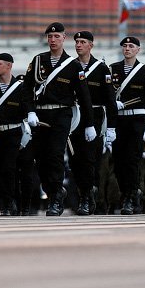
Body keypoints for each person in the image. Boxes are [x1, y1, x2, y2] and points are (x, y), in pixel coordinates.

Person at [24, 22, 95, 216]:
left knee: (55, 155)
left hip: (62, 114)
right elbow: (27, 89)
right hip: (40, 115)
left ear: (64, 38)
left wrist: (89, 124)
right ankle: (54, 190)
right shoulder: (38, 61)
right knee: (41, 159)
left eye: (57, 36)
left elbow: (84, 97)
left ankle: (55, 198)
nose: (53, 40)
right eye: (50, 37)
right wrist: (30, 111)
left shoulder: (73, 65)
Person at [110, 36, 145, 215]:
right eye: (125, 46)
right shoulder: (113, 69)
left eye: (131, 46)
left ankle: (130, 196)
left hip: (137, 121)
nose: (127, 49)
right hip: (118, 121)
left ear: (138, 49)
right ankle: (127, 192)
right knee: (118, 161)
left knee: (132, 160)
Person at [71, 31, 117, 216]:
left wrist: (111, 126)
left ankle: (88, 196)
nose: (78, 45)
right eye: (77, 41)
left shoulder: (101, 68)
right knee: (75, 160)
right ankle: (84, 193)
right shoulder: (70, 66)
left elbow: (110, 99)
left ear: (91, 45)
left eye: (83, 42)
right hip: (75, 117)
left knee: (90, 159)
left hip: (95, 117)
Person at [0, 53, 29, 216]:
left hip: (13, 132)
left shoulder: (20, 87)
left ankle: (8, 204)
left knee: (9, 169)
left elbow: (26, 107)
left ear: (9, 65)